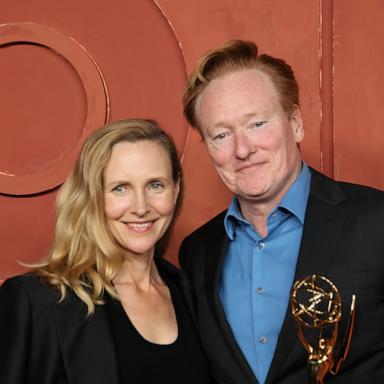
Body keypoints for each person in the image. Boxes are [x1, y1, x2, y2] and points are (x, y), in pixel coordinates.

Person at [179, 40, 384, 384]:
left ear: (296, 123)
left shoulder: (376, 222)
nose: (242, 149)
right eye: (221, 134)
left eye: (257, 124)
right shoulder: (198, 253)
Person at [0, 119, 212, 384]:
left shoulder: (194, 293)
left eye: (155, 185)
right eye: (120, 188)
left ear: (176, 188)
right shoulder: (37, 301)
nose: (141, 206)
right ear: (92, 196)